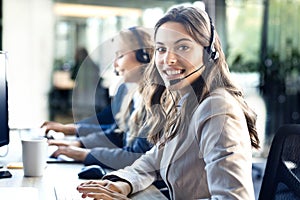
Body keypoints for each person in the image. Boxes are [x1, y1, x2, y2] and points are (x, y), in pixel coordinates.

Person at [76, 6, 260, 200]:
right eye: (161, 49)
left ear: (208, 53)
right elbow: (153, 160)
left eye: (183, 47)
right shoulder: (186, 102)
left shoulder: (217, 110)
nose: (168, 59)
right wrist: (123, 184)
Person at [47, 27, 156, 170]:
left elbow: (137, 156)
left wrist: (86, 154)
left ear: (144, 56)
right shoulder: (136, 95)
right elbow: (118, 134)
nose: (115, 64)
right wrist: (80, 144)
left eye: (121, 55)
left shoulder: (155, 102)